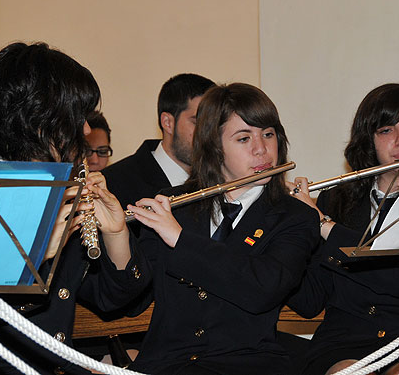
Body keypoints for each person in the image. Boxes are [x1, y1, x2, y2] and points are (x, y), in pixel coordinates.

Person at [0, 42, 149, 374]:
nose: (86, 130)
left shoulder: (59, 190)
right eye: (77, 115)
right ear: (36, 119)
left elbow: (112, 300)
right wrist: (32, 257)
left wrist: (115, 234)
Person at [111, 83, 320, 375]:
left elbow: (264, 288)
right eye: (244, 138)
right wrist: (115, 235)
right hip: (166, 365)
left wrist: (180, 240)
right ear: (213, 146)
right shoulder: (174, 205)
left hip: (248, 365)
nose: (262, 149)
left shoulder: (294, 216)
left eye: (269, 134)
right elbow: (131, 300)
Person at [287, 84, 399, 375]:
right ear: (369, 141)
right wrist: (282, 225)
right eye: (386, 130)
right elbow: (311, 301)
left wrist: (324, 224)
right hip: (344, 338)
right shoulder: (335, 199)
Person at [103, 73, 215, 208]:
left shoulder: (219, 180)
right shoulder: (112, 184)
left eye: (215, 125)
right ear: (168, 123)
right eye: (198, 122)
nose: (209, 134)